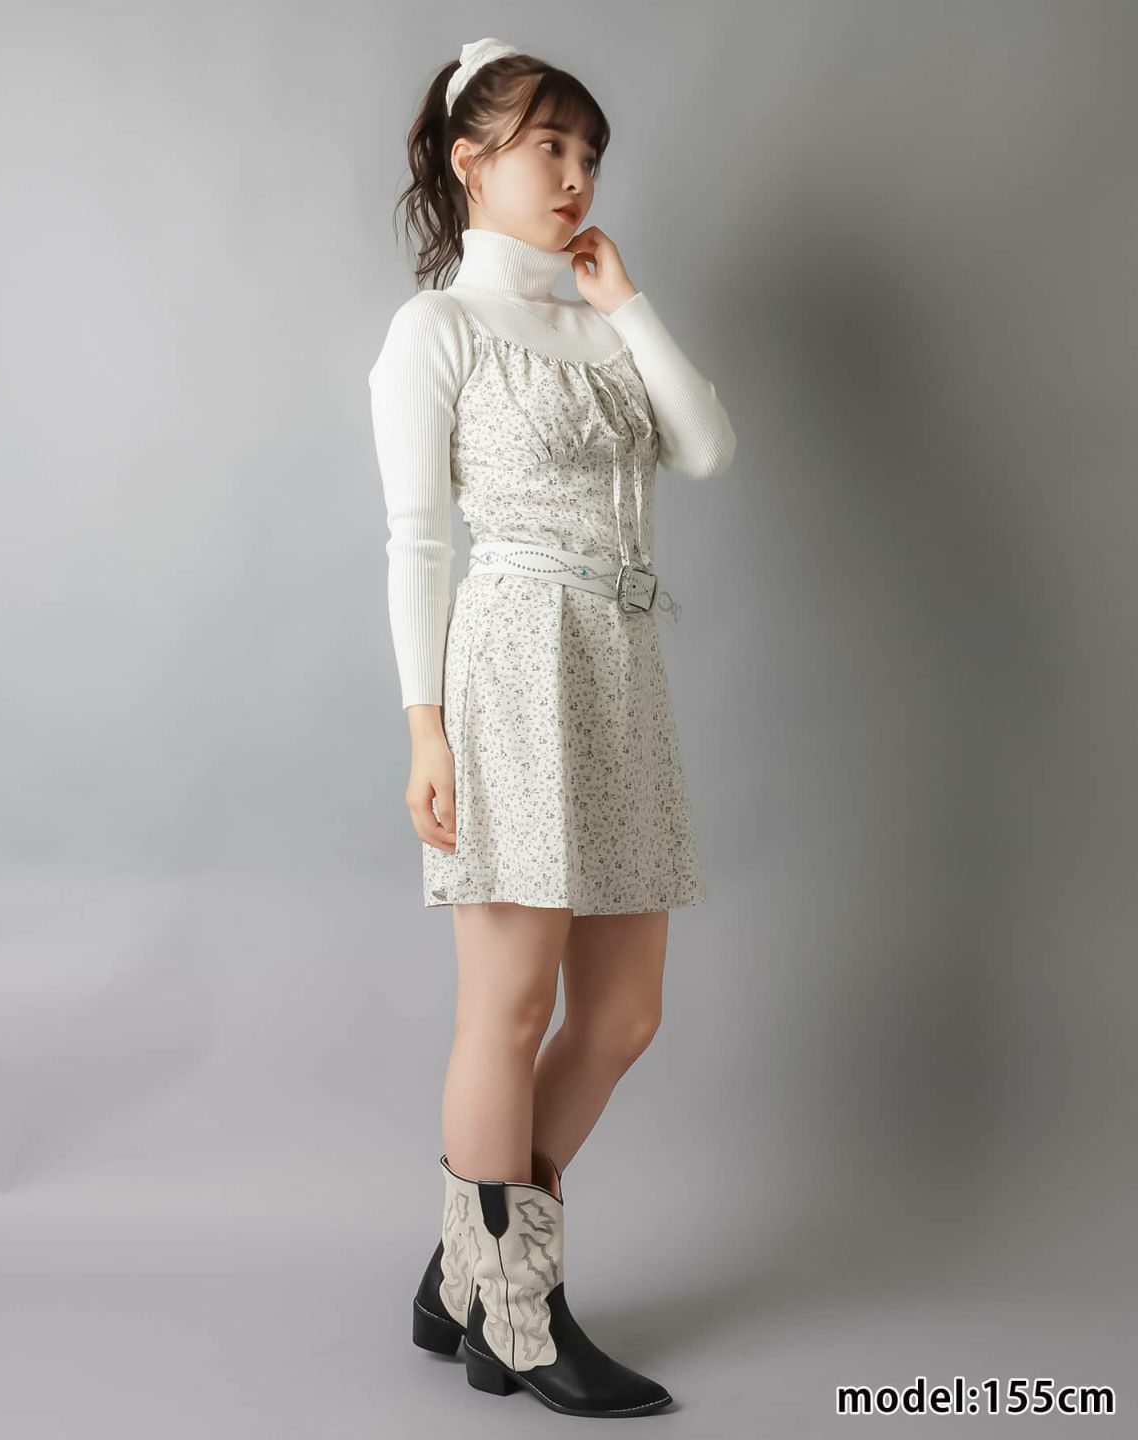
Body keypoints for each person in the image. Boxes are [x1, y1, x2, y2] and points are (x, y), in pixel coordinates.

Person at [368, 37, 736, 1417]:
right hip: (513, 662)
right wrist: (426, 731)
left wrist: (626, 302)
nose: (577, 175)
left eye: (590, 154)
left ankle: (466, 1269)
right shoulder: (437, 330)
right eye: (549, 148)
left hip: (622, 663)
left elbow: (707, 447)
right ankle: (516, 1319)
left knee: (624, 1014)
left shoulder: (595, 321)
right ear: (472, 163)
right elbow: (417, 544)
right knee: (510, 1007)